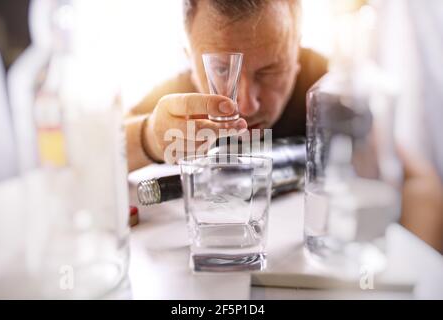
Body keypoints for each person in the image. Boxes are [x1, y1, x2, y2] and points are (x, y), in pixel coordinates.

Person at [124, 0, 443, 252]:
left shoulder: (332, 87)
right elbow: (96, 155)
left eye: (270, 70)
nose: (247, 105)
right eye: (221, 68)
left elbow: (420, 182)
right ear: (188, 56)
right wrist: (148, 137)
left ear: (297, 50)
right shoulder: (176, 100)